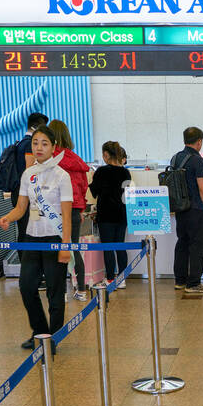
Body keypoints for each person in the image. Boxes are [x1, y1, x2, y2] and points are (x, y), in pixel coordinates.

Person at [0, 125, 71, 349]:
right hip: (31, 238)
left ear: (53, 147)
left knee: (55, 292)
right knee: (27, 287)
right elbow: (21, 208)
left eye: (44, 144)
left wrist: (66, 246)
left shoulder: (62, 176)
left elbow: (66, 215)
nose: (39, 147)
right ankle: (40, 332)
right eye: (35, 143)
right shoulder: (28, 174)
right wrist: (7, 218)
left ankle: (53, 338)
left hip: (54, 239)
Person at [49, 119, 92, 302]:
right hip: (74, 210)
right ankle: (81, 290)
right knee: (74, 248)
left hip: (54, 210)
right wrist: (80, 210)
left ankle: (62, 292)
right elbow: (83, 187)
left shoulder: (50, 159)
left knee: (55, 250)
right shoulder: (76, 159)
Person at [171, 126, 203, 295]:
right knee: (197, 246)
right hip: (195, 209)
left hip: (180, 208)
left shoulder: (175, 158)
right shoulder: (197, 160)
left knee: (182, 243)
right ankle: (194, 283)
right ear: (199, 142)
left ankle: (180, 281)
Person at [90, 140, 132, 288]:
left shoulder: (101, 171)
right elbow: (126, 193)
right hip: (122, 214)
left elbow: (94, 192)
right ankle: (122, 279)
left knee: (108, 247)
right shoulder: (125, 172)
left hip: (106, 214)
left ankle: (109, 279)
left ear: (106, 155)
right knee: (120, 245)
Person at [9, 112, 50, 240]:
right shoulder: (29, 144)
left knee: (25, 228)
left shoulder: (21, 142)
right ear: (36, 128)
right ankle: (26, 253)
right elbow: (30, 170)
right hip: (27, 194)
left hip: (21, 191)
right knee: (28, 230)